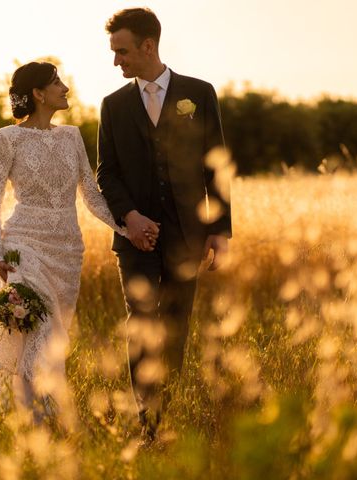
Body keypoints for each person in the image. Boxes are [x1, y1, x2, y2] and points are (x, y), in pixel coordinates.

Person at [0, 62, 139, 422]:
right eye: (57, 82)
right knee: (38, 328)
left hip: (66, 250)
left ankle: (34, 419)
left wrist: (127, 228)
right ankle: (36, 420)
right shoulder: (5, 139)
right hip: (24, 246)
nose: (65, 88)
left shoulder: (72, 136)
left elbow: (91, 195)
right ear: (38, 93)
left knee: (54, 338)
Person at [97, 8, 232, 443]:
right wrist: (130, 217)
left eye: (122, 51)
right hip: (134, 238)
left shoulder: (199, 93)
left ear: (148, 46)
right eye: (115, 52)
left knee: (176, 326)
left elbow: (218, 164)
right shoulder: (113, 106)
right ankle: (145, 420)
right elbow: (107, 173)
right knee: (140, 321)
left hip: (187, 237)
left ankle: (162, 411)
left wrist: (221, 229)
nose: (117, 61)